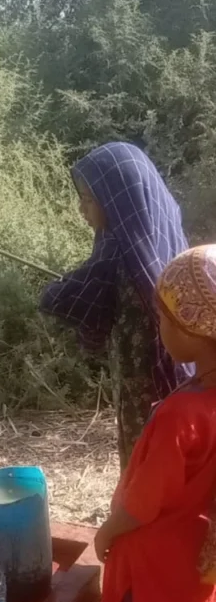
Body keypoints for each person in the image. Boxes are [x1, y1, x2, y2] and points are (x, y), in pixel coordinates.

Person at [92, 245, 216, 602]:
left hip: (156, 562)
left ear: (198, 330)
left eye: (166, 316)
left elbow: (143, 502)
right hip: (199, 553)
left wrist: (107, 531)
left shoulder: (182, 415)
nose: (158, 326)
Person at [41, 141, 191, 470]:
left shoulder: (121, 252)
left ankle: (142, 501)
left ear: (115, 198)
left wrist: (53, 291)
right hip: (175, 376)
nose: (81, 209)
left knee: (146, 455)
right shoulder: (157, 228)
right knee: (169, 455)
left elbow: (74, 298)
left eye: (88, 199)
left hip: (144, 378)